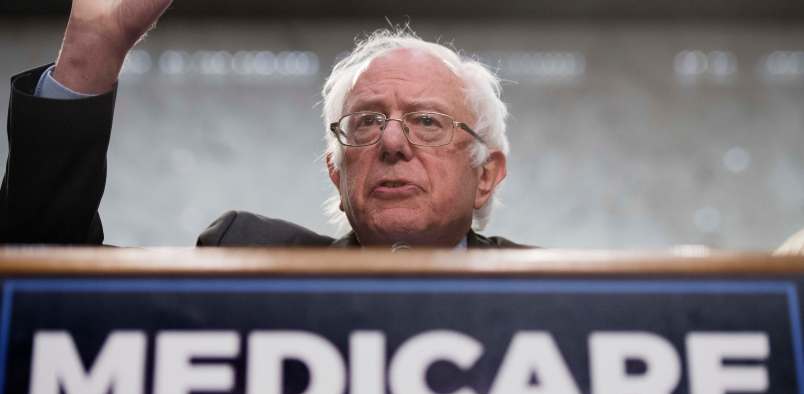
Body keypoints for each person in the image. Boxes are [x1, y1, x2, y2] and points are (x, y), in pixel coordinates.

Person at [1, 0, 521, 248]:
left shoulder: (574, 293)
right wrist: (95, 44)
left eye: (427, 122)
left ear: (486, 174)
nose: (389, 141)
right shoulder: (246, 259)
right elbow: (42, 281)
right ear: (337, 175)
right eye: (364, 122)